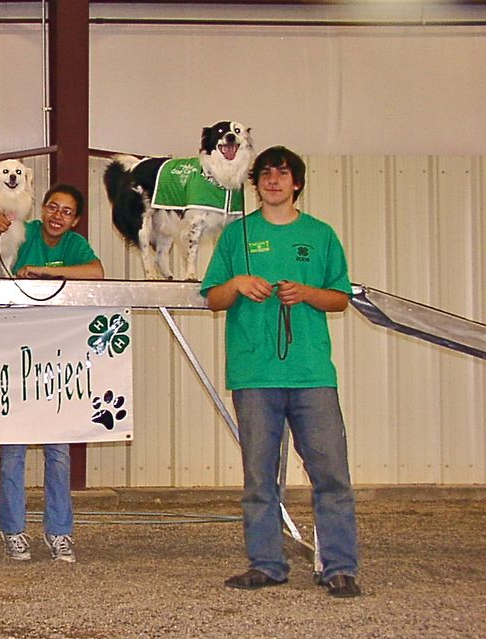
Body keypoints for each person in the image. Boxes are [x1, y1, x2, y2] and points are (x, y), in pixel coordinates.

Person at [200, 146, 361, 598]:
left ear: (297, 184)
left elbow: (340, 298)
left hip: (312, 374)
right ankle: (267, 564)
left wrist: (309, 292)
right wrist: (234, 285)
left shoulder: (322, 235)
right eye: (265, 173)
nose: (273, 180)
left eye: (282, 173)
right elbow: (213, 298)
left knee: (330, 473)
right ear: (255, 184)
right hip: (253, 374)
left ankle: (339, 567)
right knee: (259, 476)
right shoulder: (237, 237)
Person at [0, 183, 104, 562]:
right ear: (41, 208)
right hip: (14, 354)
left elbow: (96, 273)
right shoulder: (25, 231)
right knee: (14, 449)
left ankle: (59, 532)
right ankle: (13, 531)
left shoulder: (75, 247)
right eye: (52, 207)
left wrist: (41, 270)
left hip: (55, 360)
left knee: (58, 451)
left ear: (76, 220)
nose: (57, 215)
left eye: (66, 211)